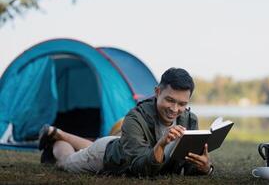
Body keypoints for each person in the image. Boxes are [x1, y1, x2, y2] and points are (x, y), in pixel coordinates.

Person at [39, 67, 213, 177]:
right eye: (170, 100)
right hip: (106, 156)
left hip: (122, 144)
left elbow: (186, 164)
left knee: (98, 144)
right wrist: (160, 145)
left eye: (182, 104)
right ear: (157, 91)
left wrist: (205, 167)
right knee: (65, 163)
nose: (175, 109)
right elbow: (139, 169)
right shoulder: (135, 118)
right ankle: (57, 139)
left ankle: (58, 132)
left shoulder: (190, 120)